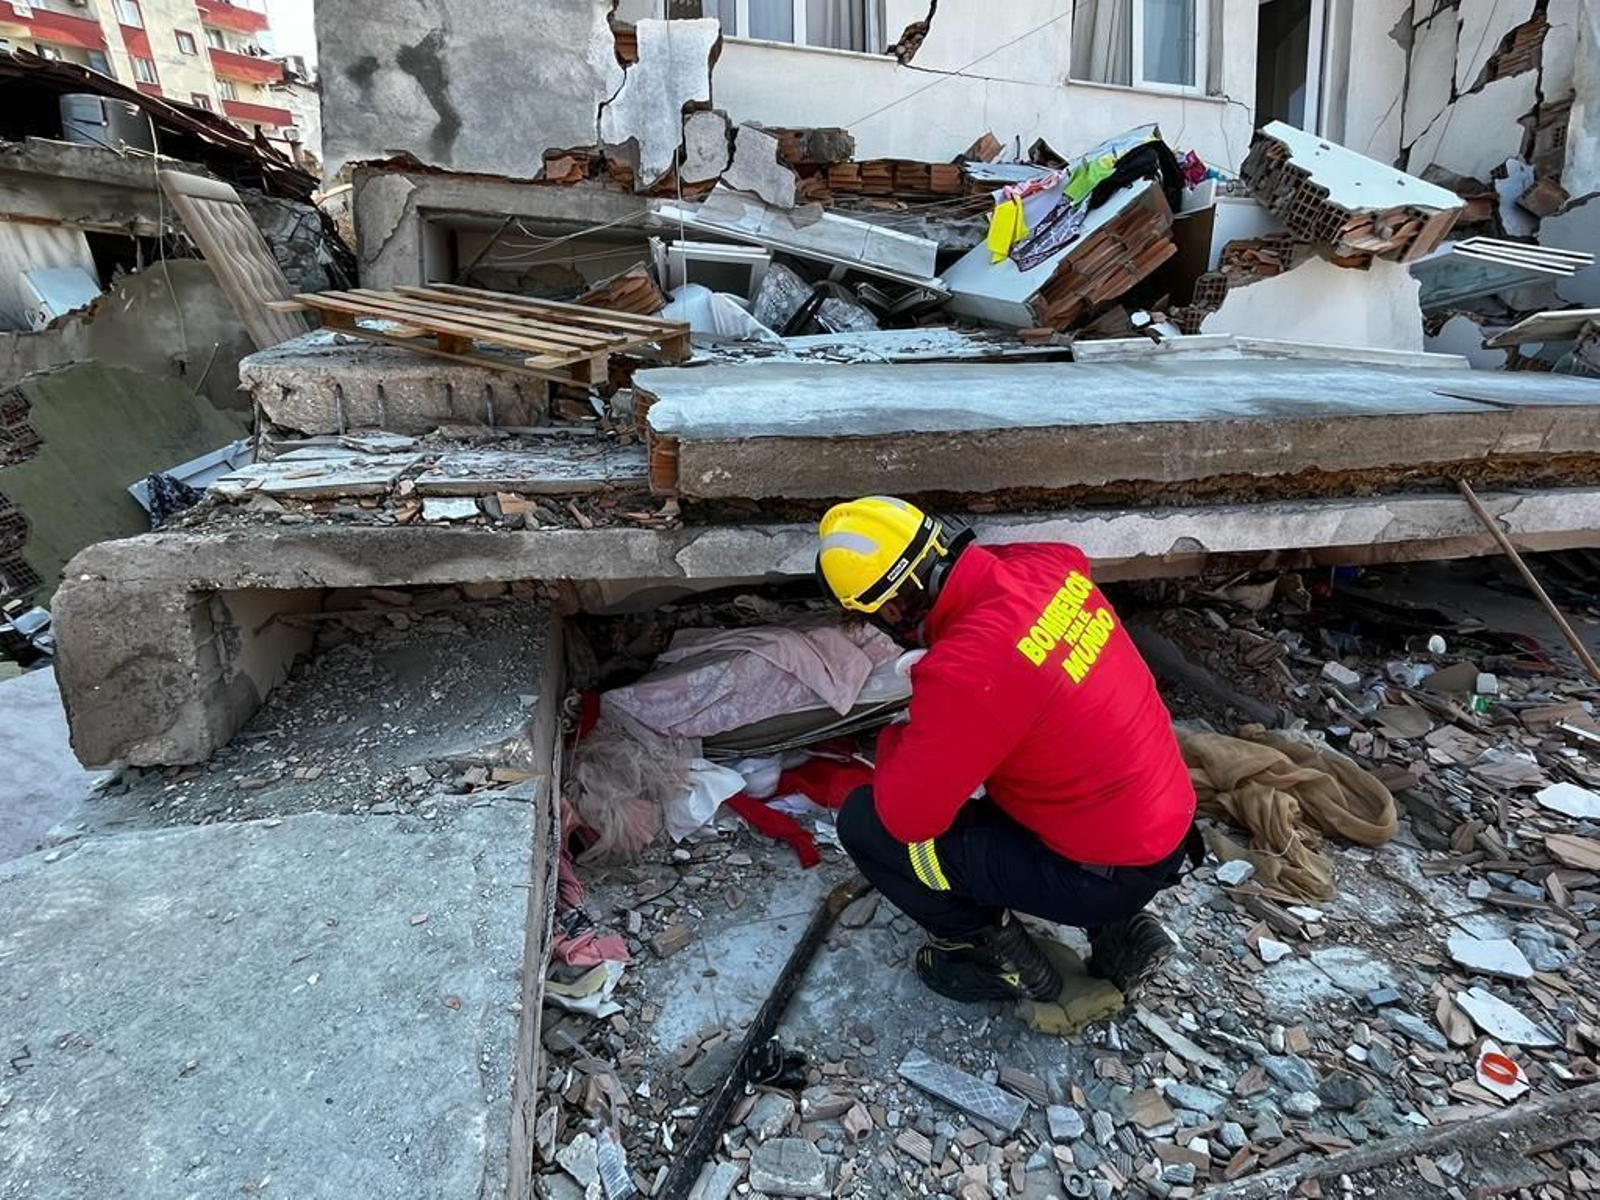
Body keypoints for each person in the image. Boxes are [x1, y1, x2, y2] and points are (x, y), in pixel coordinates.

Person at [815, 496, 1199, 1004]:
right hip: (1165, 821)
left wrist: (897, 734)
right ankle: (1119, 929)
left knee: (867, 824)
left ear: (889, 610)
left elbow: (907, 818)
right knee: (1040, 759)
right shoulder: (1045, 567)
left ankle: (989, 952)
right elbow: (1059, 562)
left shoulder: (965, 673)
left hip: (1099, 873)